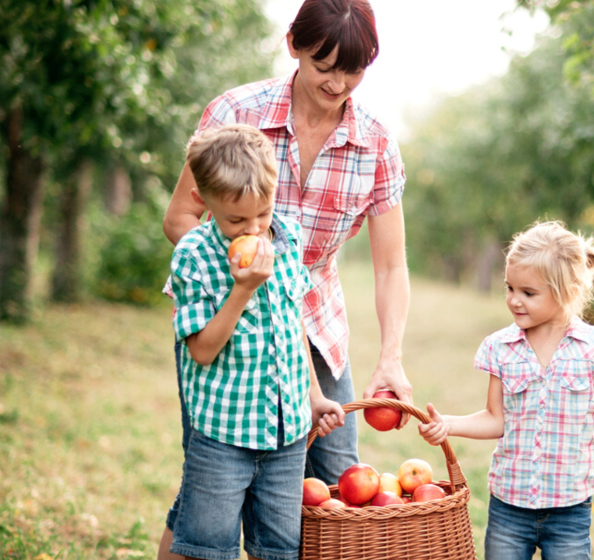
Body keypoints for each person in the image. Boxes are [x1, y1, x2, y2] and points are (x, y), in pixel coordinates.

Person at [162, 0, 410, 484]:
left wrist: (390, 358)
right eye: (324, 66)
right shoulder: (237, 111)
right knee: (214, 485)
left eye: (353, 71)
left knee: (339, 482)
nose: (337, 85)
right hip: (228, 318)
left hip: (315, 324)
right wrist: (238, 274)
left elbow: (391, 267)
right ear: (294, 45)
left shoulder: (376, 143)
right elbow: (181, 217)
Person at [417, 221, 594, 560]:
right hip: (508, 507)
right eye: (509, 287)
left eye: (528, 293)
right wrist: (449, 425)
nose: (514, 300)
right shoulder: (500, 347)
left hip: (569, 510)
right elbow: (495, 419)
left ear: (567, 292)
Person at [165, 124, 345, 560]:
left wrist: (314, 395)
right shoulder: (194, 255)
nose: (254, 228)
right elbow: (202, 350)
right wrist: (241, 290)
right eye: (236, 220)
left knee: (280, 549)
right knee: (208, 548)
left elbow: (292, 322)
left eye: (262, 213)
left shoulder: (285, 236)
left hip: (286, 433)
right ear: (201, 202)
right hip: (223, 434)